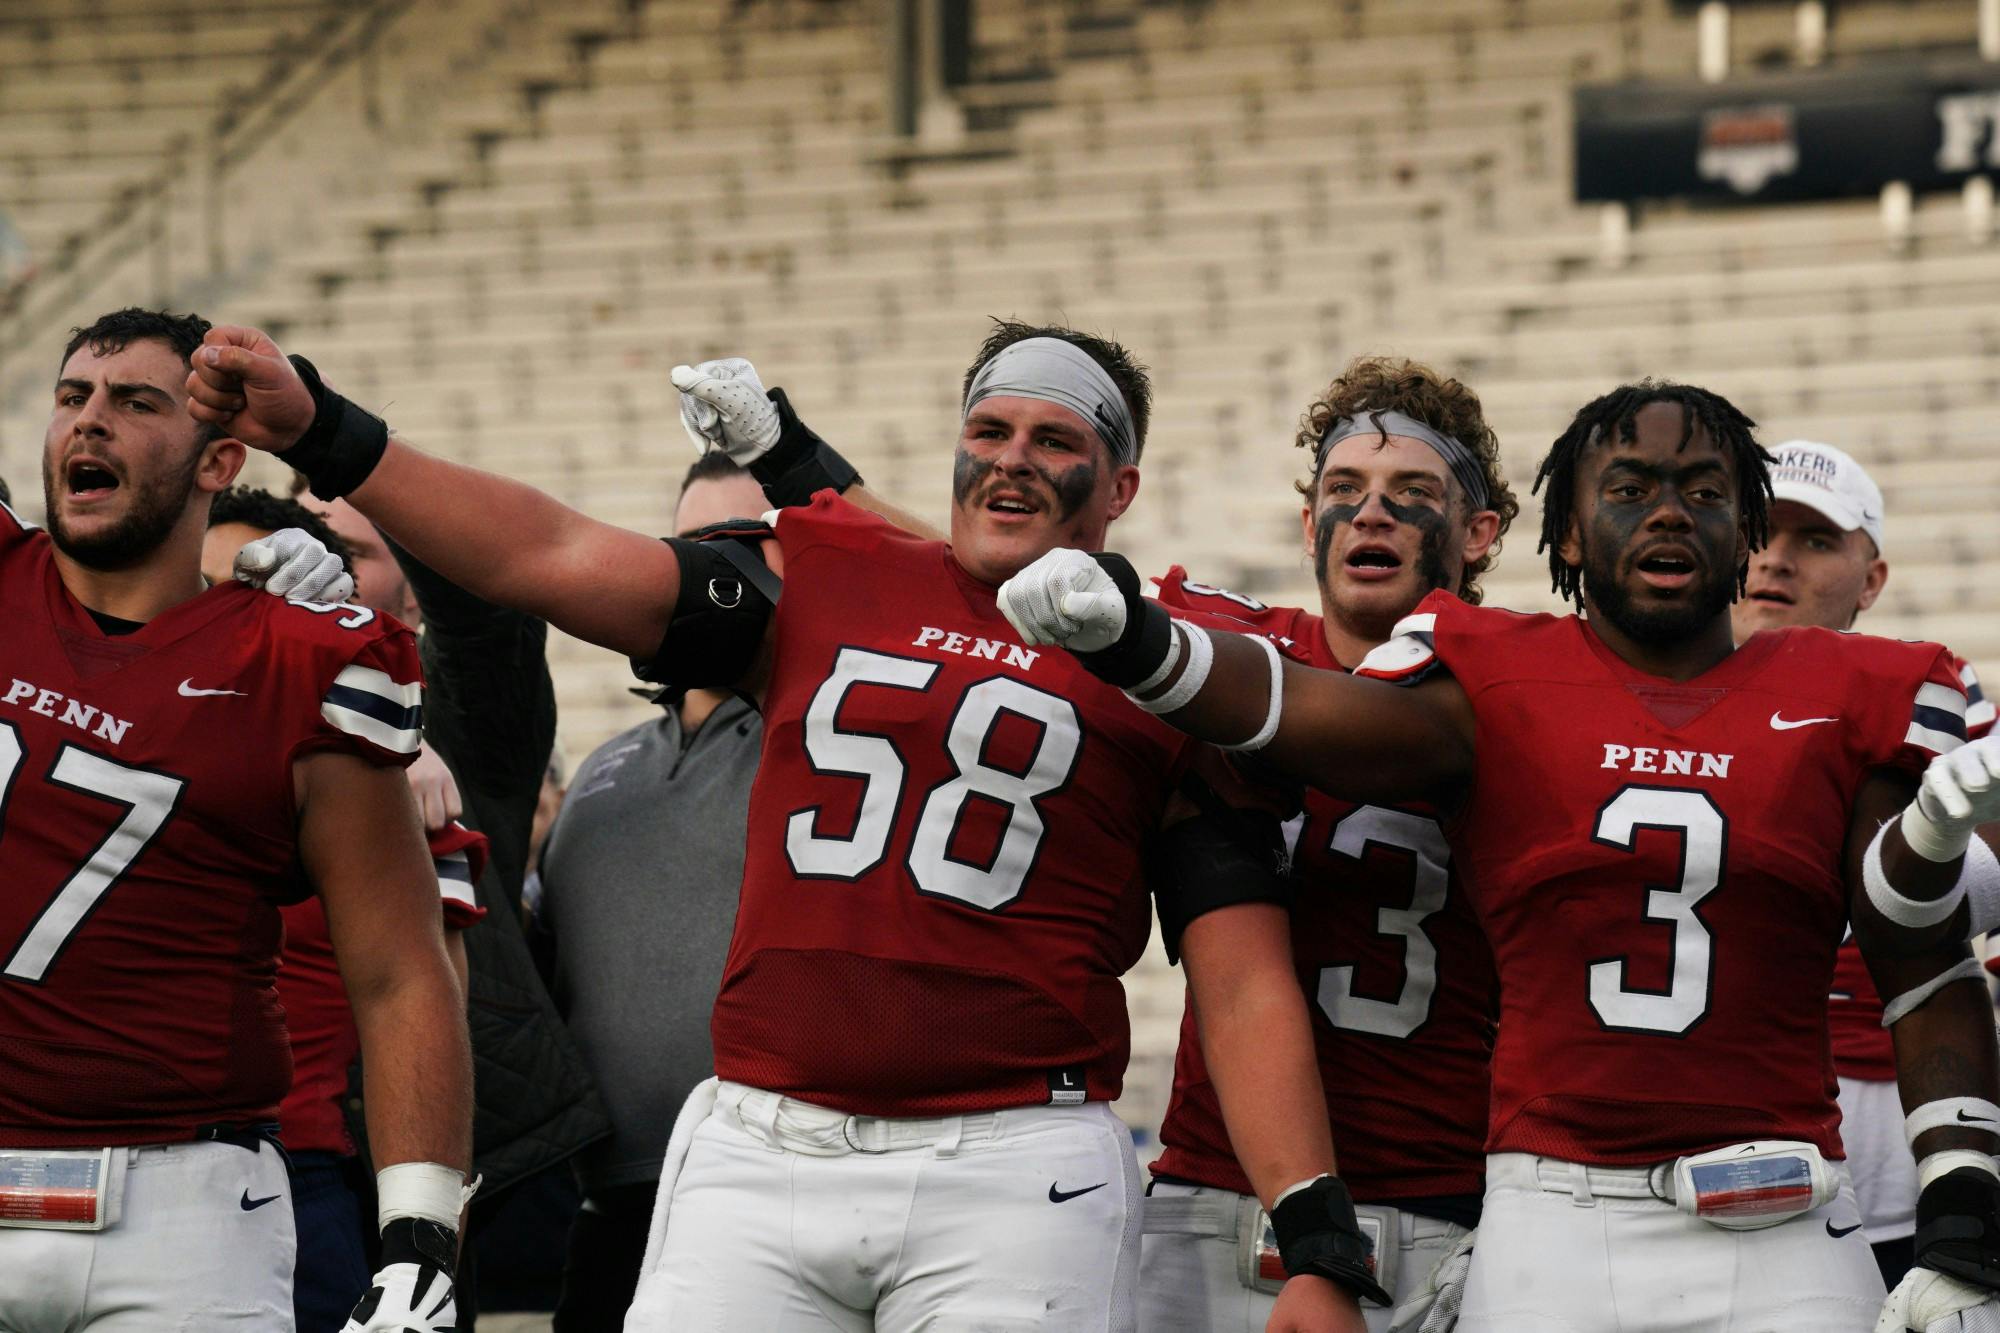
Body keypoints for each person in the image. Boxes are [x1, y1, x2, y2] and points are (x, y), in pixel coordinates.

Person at [182, 317, 1383, 1331]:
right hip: (761, 1140)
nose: (1010, 462)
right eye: (989, 432)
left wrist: (1309, 1217)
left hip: (1015, 1163)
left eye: (1054, 441)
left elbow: (1235, 970)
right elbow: (551, 553)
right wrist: (324, 430)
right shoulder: (829, 571)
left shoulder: (1159, 647)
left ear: (1117, 486)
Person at [999, 381, 2000, 1332]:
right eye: (1627, 489)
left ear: (1741, 531)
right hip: (1549, 1218)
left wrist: (1961, 1206)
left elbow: (1918, 952)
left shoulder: (1858, 684)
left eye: (1702, 492)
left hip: (1782, 1209)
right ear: (1565, 530)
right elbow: (1303, 706)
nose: (1666, 513)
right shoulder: (1490, 668)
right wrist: (1134, 639)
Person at [0, 308, 473, 1332]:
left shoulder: (296, 663)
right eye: (72, 398)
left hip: (184, 1210)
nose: (89, 425)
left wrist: (419, 1237)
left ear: (219, 458)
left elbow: (398, 970)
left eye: (134, 403)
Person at [1140, 359, 1513, 1332]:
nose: (1371, 513)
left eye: (1411, 494)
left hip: (1447, 1211)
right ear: (1309, 525)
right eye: (1341, 491)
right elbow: (1022, 593)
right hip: (1214, 1201)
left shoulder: (1520, 687)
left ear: (1479, 532)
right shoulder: (1228, 646)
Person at [293, 488, 610, 1326]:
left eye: (348, 552)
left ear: (408, 580)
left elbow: (489, 613)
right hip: (265, 1157)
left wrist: (363, 465)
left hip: (458, 1163)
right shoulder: (219, 704)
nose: (312, 564)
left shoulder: (467, 715)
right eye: (294, 544)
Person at [203, 484, 493, 1332]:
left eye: (248, 585)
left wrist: (424, 1256)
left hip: (289, 1173)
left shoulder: (386, 785)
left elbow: (431, 1014)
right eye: (205, 582)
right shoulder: (105, 736)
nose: (220, 608)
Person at [1729, 439, 1997, 1293]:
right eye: (1759, 529)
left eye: (1814, 540)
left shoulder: (1926, 690)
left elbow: (1981, 886)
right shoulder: (1636, 688)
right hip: (1701, 1096)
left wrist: (1925, 848)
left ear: (1870, 578)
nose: (1774, 559)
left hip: (1898, 1103)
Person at [531, 452, 768, 1331]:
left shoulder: (824, 734)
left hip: (778, 1198)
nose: (718, 570)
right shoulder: (606, 765)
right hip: (612, 1209)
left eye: (748, 543)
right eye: (695, 546)